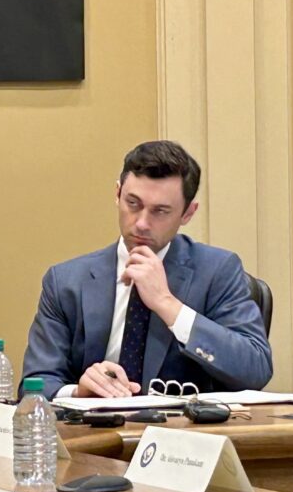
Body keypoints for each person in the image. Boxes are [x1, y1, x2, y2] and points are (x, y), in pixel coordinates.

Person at [21, 140, 273, 399]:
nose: (141, 223)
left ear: (187, 213)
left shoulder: (218, 271)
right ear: (117, 194)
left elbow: (254, 369)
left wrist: (167, 304)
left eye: (160, 211)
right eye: (133, 204)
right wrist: (78, 392)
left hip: (182, 434)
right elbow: (35, 385)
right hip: (94, 434)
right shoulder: (66, 281)